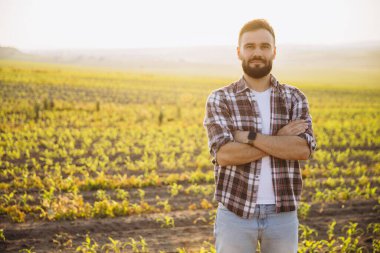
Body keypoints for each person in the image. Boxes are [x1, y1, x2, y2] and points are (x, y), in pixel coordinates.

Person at [203, 19, 317, 253]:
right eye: (250, 46)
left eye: (264, 46)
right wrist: (281, 138)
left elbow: (302, 150)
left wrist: (251, 137)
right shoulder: (220, 99)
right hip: (235, 213)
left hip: (282, 215)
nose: (257, 52)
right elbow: (224, 154)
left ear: (274, 52)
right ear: (238, 52)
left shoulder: (294, 98)